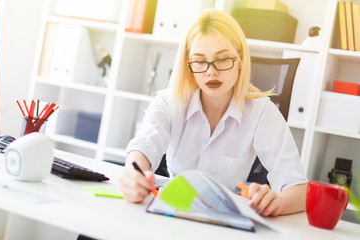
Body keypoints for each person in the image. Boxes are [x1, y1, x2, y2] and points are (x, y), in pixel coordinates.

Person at [119, 9, 307, 217]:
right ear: (188, 65)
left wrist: (275, 202)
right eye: (200, 61)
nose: (211, 71)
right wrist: (132, 174)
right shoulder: (169, 101)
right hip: (173, 210)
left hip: (225, 218)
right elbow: (143, 147)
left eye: (222, 59)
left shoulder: (262, 112)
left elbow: (299, 190)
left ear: (240, 59)